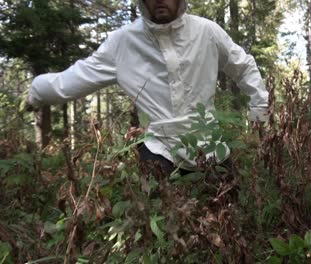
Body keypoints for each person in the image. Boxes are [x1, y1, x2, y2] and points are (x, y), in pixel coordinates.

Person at [27, 0, 268, 176]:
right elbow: (72, 79)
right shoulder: (123, 43)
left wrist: (259, 111)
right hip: (160, 150)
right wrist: (34, 95)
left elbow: (243, 66)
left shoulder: (207, 32)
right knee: (157, 224)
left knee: (230, 213)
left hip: (211, 146)